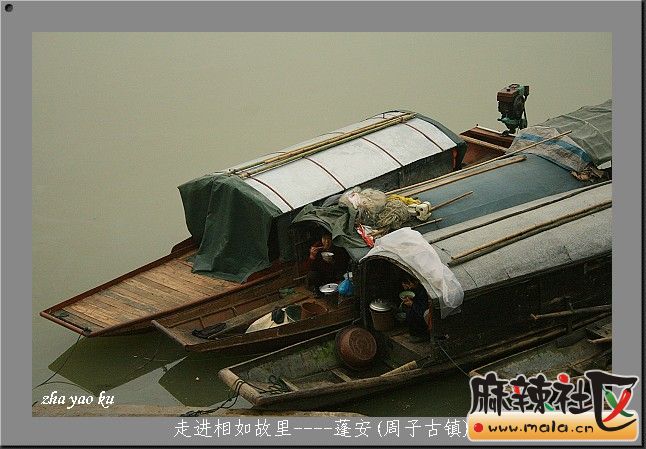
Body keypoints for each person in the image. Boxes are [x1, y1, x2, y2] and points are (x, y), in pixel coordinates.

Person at [305, 231, 349, 296]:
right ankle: (318, 291)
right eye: (324, 239)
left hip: (333, 274)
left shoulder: (337, 248)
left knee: (342, 275)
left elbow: (342, 265)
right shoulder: (316, 247)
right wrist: (312, 256)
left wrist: (332, 262)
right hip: (321, 274)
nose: (327, 242)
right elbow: (309, 268)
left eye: (329, 239)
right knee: (312, 275)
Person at [401, 275, 431, 343]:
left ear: (416, 282)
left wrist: (412, 304)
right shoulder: (412, 289)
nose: (408, 286)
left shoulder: (423, 291)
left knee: (412, 313)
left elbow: (422, 311)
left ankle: (422, 336)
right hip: (416, 310)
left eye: (409, 283)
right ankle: (414, 334)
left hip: (423, 316)